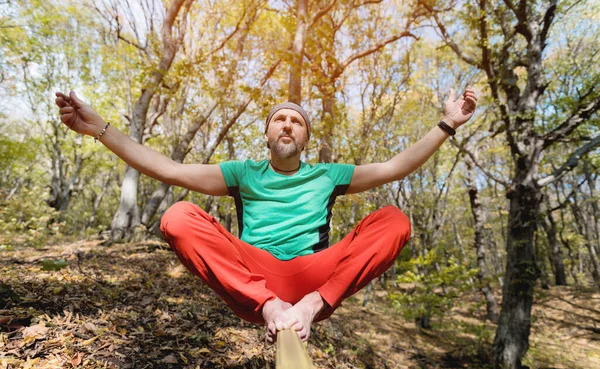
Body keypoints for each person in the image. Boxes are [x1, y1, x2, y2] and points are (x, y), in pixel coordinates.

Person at [55, 87, 477, 343]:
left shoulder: (328, 175)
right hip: (254, 278)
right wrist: (99, 129)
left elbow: (394, 168)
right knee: (179, 216)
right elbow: (167, 168)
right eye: (280, 119)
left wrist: (446, 123)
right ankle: (272, 307)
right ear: (268, 133)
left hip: (316, 277)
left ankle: (310, 306)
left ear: (306, 136)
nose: (288, 124)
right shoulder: (243, 172)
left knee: (394, 221)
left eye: (296, 121)